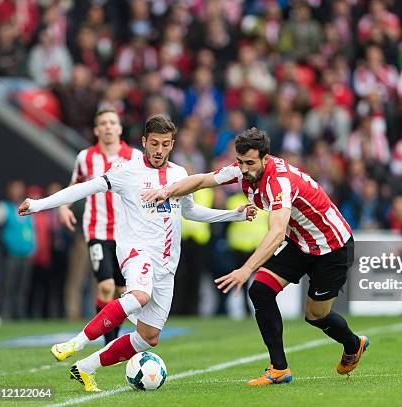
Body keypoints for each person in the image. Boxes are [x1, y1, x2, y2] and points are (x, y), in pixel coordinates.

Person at [19, 114, 257, 392]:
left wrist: (234, 215)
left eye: (165, 144)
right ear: (144, 141)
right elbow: (85, 188)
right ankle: (76, 342)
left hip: (167, 263)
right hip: (135, 250)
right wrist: (38, 205)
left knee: (149, 337)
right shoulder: (127, 171)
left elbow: (190, 211)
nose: (159, 150)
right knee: (139, 294)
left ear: (172, 144)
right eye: (154, 143)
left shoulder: (180, 174)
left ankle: (84, 368)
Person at [142, 127, 368, 386]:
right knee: (260, 290)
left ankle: (353, 343)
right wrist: (167, 191)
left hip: (332, 247)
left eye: (250, 162)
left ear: (266, 158)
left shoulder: (278, 181)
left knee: (316, 315)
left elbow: (277, 231)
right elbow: (202, 180)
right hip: (302, 242)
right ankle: (279, 369)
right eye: (240, 162)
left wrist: (245, 269)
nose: (244, 168)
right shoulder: (242, 169)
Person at [59, 108, 142, 344]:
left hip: (127, 233)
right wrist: (64, 206)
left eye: (112, 122)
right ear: (96, 129)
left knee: (119, 291)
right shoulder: (85, 157)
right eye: (103, 123)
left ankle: (113, 339)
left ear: (119, 128)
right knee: (104, 287)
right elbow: (74, 185)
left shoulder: (134, 157)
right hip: (97, 231)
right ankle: (109, 344)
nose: (107, 127)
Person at [0, 180, 35, 320]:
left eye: (20, 189)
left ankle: (19, 314)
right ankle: (5, 313)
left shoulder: (27, 207)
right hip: (10, 254)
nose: (17, 192)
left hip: (25, 254)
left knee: (22, 286)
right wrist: (4, 246)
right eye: (15, 189)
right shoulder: (3, 207)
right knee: (8, 285)